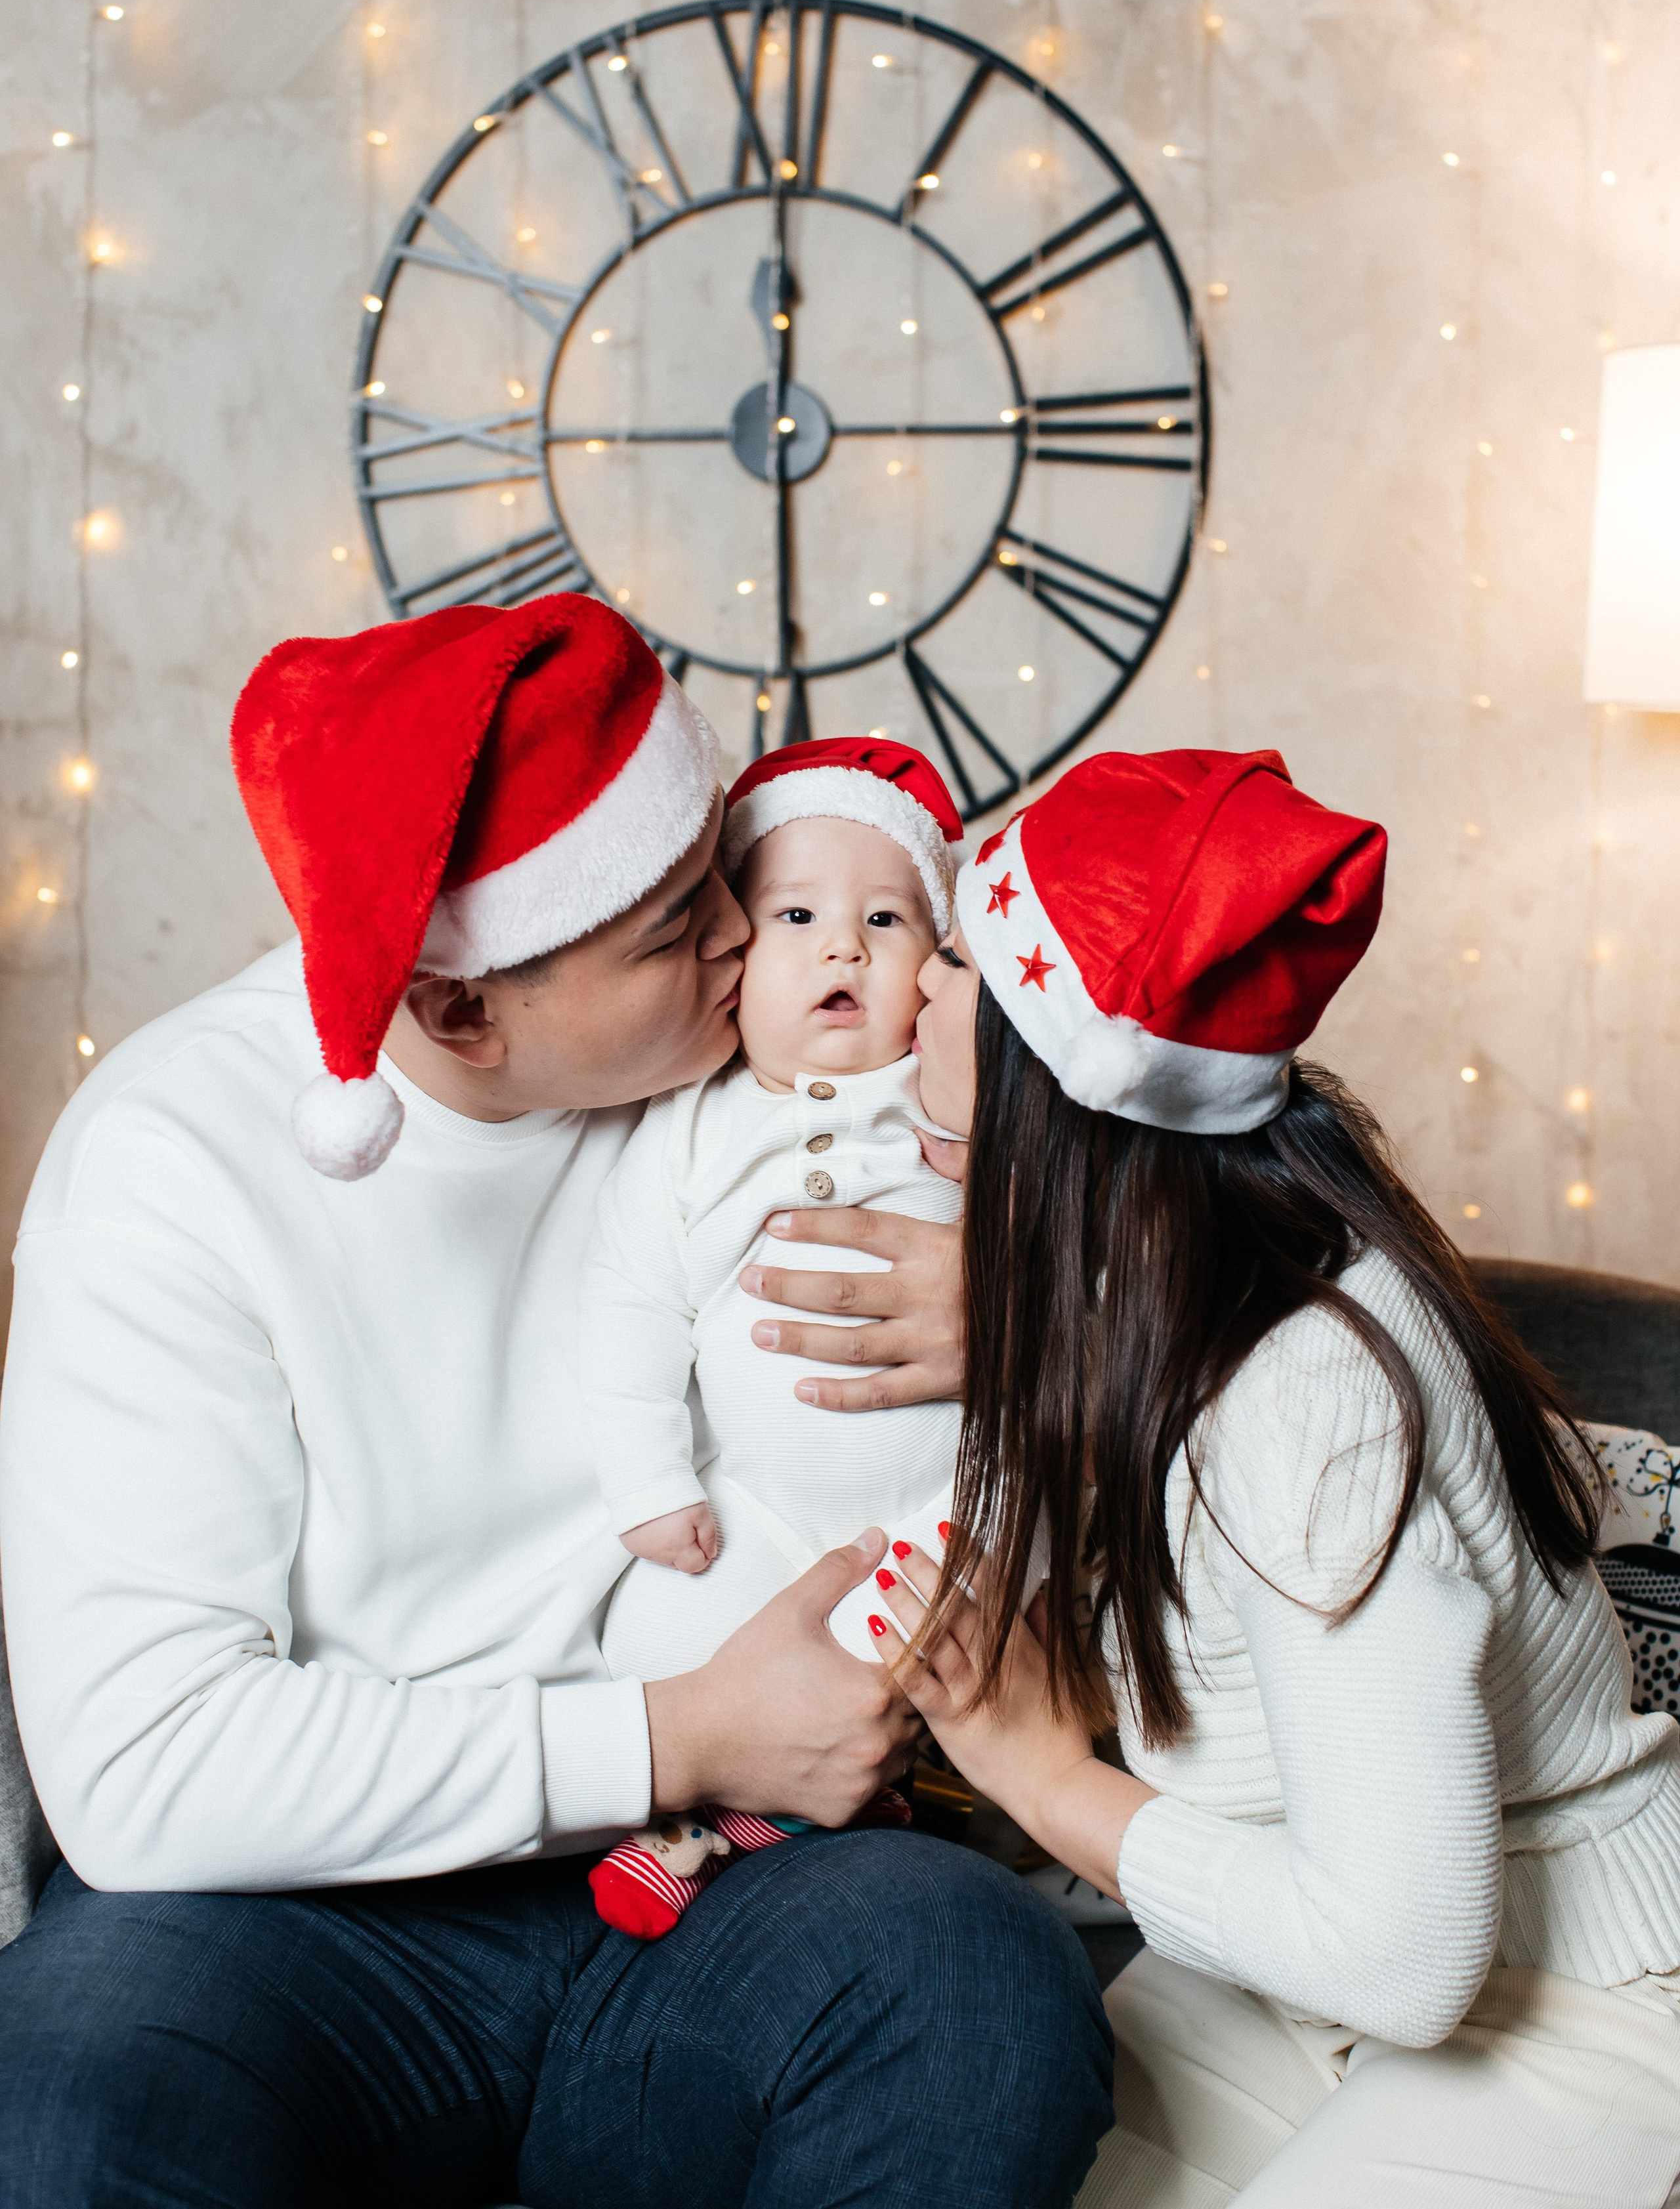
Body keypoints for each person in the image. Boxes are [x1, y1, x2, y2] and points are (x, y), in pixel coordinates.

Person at [0, 598, 1113, 2209]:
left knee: (976, 1994)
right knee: (57, 2108)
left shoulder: (781, 1054)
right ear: (460, 1009)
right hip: (291, 1922)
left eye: (731, 876)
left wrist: (1023, 1313)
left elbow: (1181, 1137)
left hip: (724, 1881)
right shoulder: (169, 1162)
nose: (750, 938)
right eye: (674, 930)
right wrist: (681, 1729)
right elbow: (148, 1768)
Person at [872, 746, 1680, 2209]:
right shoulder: (1160, 1279)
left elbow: (1401, 1956)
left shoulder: (1304, 1393)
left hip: (1555, 1981)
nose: (912, 989)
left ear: (1050, 1092)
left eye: (953, 964)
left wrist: (1049, 1785)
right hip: (1268, 1959)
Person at [583, 737, 972, 1936]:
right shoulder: (692, 1129)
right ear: (732, 966)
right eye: (796, 914)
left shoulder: (947, 1094)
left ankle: (924, 1803)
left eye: (889, 919)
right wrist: (649, 1482)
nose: (844, 946)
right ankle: (702, 1819)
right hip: (753, 1509)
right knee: (655, 1625)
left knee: (995, 1621)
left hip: (943, 1501)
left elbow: (1077, 1239)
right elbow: (633, 1305)